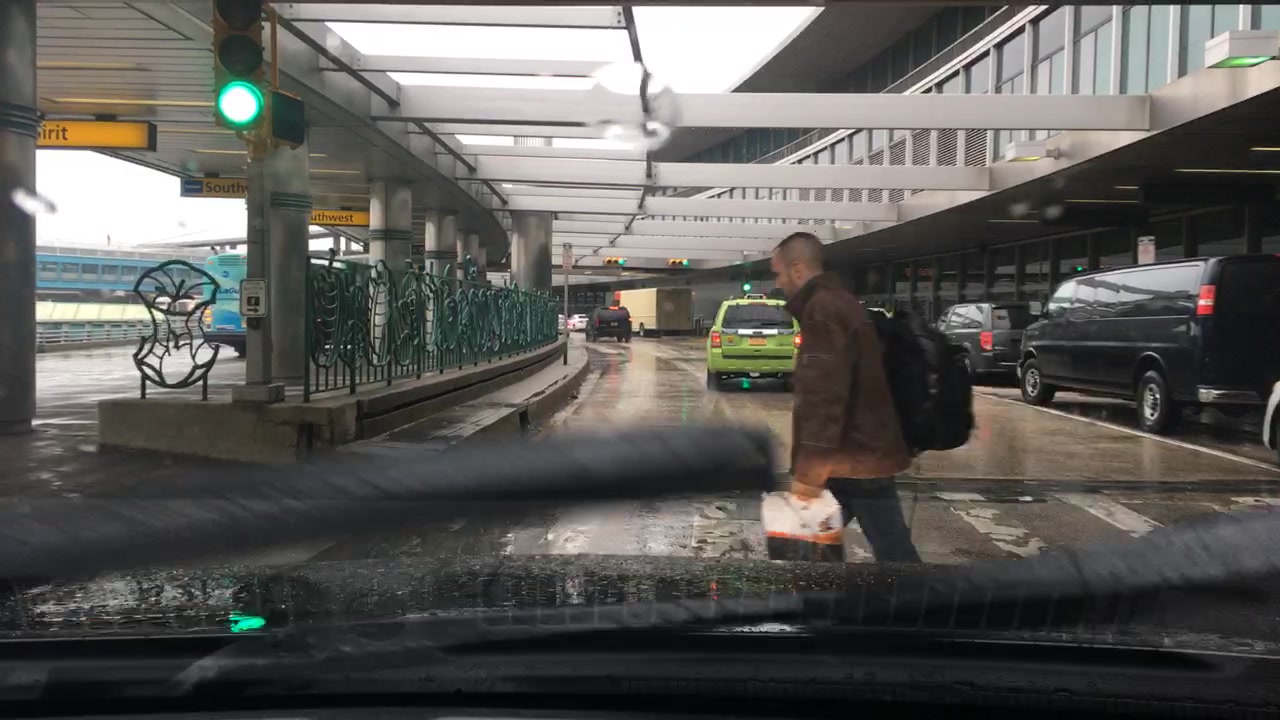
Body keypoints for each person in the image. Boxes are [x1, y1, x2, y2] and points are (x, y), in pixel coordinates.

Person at [770, 232, 922, 563]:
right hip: (861, 454)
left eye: (778, 273)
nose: (778, 283)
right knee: (879, 547)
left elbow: (824, 397)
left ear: (797, 269)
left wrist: (809, 474)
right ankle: (824, 590)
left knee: (883, 552)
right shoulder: (839, 302)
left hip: (850, 458)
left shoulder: (822, 310)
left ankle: (918, 593)